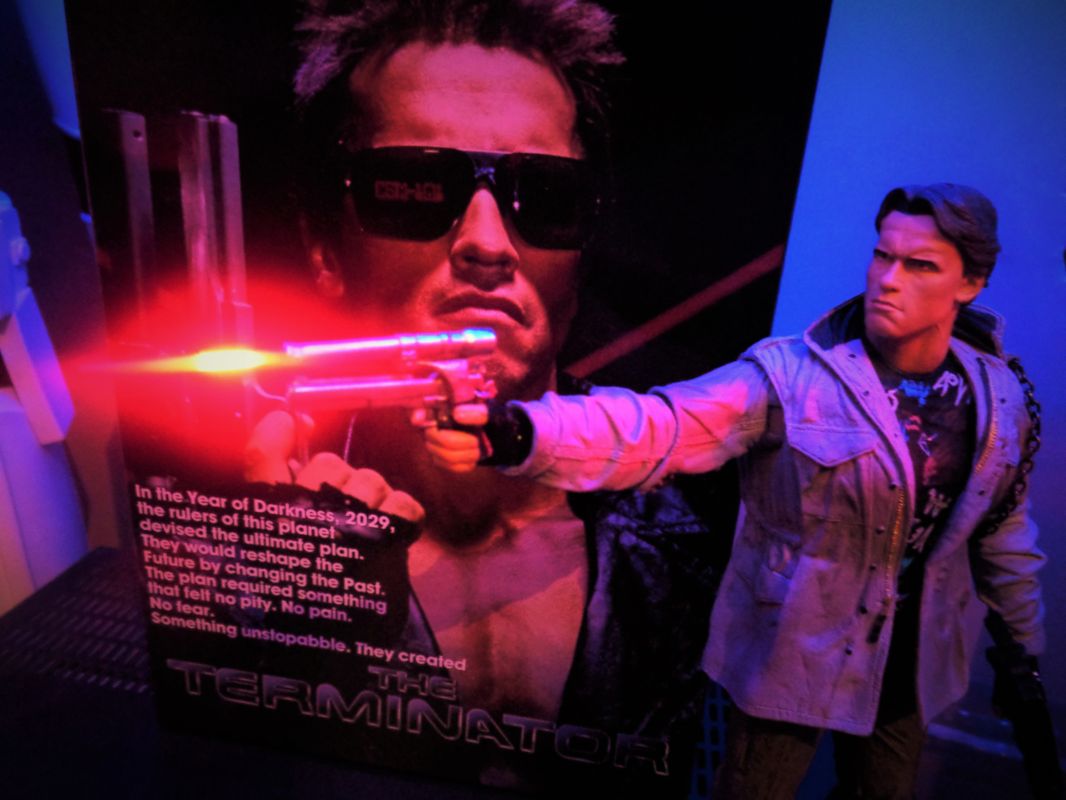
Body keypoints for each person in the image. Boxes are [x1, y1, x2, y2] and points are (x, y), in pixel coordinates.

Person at [427, 183, 1047, 798]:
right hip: (796, 652)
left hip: (907, 663)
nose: (888, 279)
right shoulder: (795, 377)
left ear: (970, 284)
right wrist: (518, 432)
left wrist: (1025, 647)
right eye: (883, 255)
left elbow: (1003, 532)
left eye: (920, 266)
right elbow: (661, 426)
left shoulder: (998, 399)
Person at [244, 0, 719, 790]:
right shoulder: (264, 532)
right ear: (324, 245)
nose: (488, 244)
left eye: (547, 194)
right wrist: (286, 603)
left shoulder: (693, 535)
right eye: (414, 186)